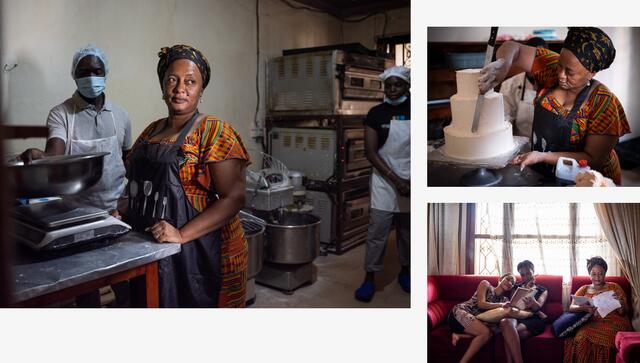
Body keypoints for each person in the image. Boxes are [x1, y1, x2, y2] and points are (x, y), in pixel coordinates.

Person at [124, 44, 249, 307]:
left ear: (201, 90)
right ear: (162, 86)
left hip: (206, 251)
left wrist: (181, 235)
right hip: (160, 246)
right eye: (172, 80)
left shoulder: (214, 131)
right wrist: (122, 211)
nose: (180, 88)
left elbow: (234, 197)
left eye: (190, 82)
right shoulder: (150, 131)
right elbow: (140, 182)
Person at [479, 27, 630, 185]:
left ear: (592, 73)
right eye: (560, 65)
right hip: (544, 168)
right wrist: (504, 64)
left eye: (570, 73)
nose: (560, 75)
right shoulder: (551, 67)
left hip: (588, 180)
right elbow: (512, 48)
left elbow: (593, 160)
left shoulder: (603, 103)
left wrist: (542, 156)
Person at [20, 44, 133, 212]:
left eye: (97, 71)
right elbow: (54, 155)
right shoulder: (61, 114)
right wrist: (41, 157)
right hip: (75, 210)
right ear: (74, 76)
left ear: (105, 74)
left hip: (116, 209)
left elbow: (128, 160)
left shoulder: (121, 114)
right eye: (84, 73)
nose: (91, 77)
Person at [354, 66, 410, 302]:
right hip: (385, 182)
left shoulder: (415, 110)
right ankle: (369, 278)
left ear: (407, 86)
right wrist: (396, 180)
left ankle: (406, 272)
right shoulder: (376, 113)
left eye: (398, 84)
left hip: (411, 180)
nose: (393, 89)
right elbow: (370, 152)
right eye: (389, 85)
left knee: (407, 233)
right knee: (377, 232)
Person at [564, 257, 632, 363]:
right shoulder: (584, 289)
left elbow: (624, 312)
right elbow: (571, 308)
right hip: (591, 321)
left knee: (608, 341)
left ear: (605, 273)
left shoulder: (614, 287)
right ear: (589, 274)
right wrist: (585, 308)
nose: (597, 277)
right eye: (594, 274)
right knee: (581, 338)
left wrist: (621, 303)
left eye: (600, 274)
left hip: (613, 321)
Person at [448, 274, 516, 363]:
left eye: (513, 283)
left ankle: (459, 336)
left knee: (490, 334)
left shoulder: (505, 300)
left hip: (472, 325)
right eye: (508, 279)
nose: (510, 283)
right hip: (459, 314)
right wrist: (501, 306)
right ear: (500, 279)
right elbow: (481, 304)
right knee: (485, 332)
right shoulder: (486, 284)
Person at [500, 260, 549, 363]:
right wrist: (525, 289)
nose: (526, 277)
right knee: (505, 322)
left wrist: (532, 301)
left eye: (528, 273)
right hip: (517, 315)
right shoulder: (516, 287)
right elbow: (513, 304)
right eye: (522, 275)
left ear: (533, 272)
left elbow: (538, 307)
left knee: (508, 333)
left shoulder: (542, 289)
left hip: (533, 317)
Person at [499, 37, 548, 137]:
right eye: (533, 60)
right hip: (521, 146)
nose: (536, 65)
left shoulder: (559, 84)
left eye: (541, 60)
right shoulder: (510, 85)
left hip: (549, 149)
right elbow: (504, 121)